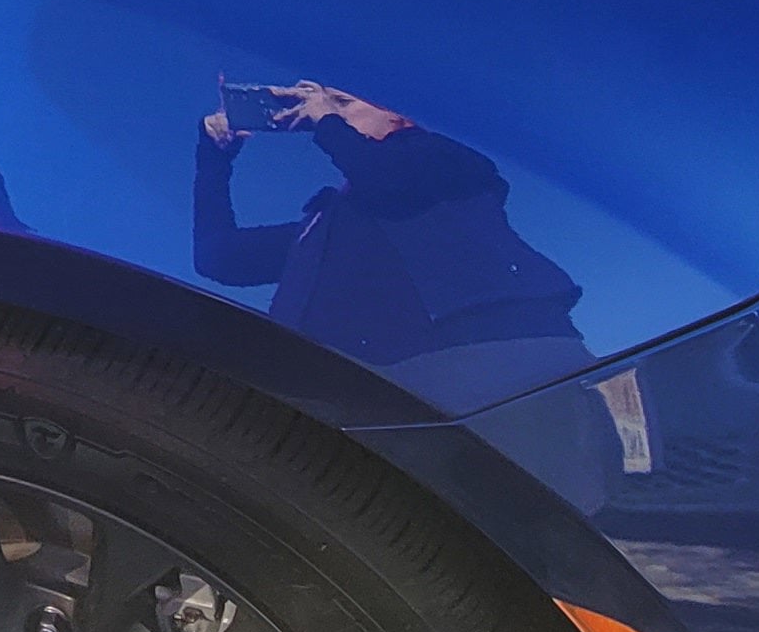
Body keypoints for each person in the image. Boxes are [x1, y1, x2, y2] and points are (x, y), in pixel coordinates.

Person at [196, 79, 591, 408]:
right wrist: (215, 158)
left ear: (399, 115)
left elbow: (389, 182)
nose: (324, 109)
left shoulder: (443, 160)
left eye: (345, 101)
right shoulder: (319, 229)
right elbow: (218, 258)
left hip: (501, 374)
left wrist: (328, 122)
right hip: (349, 402)